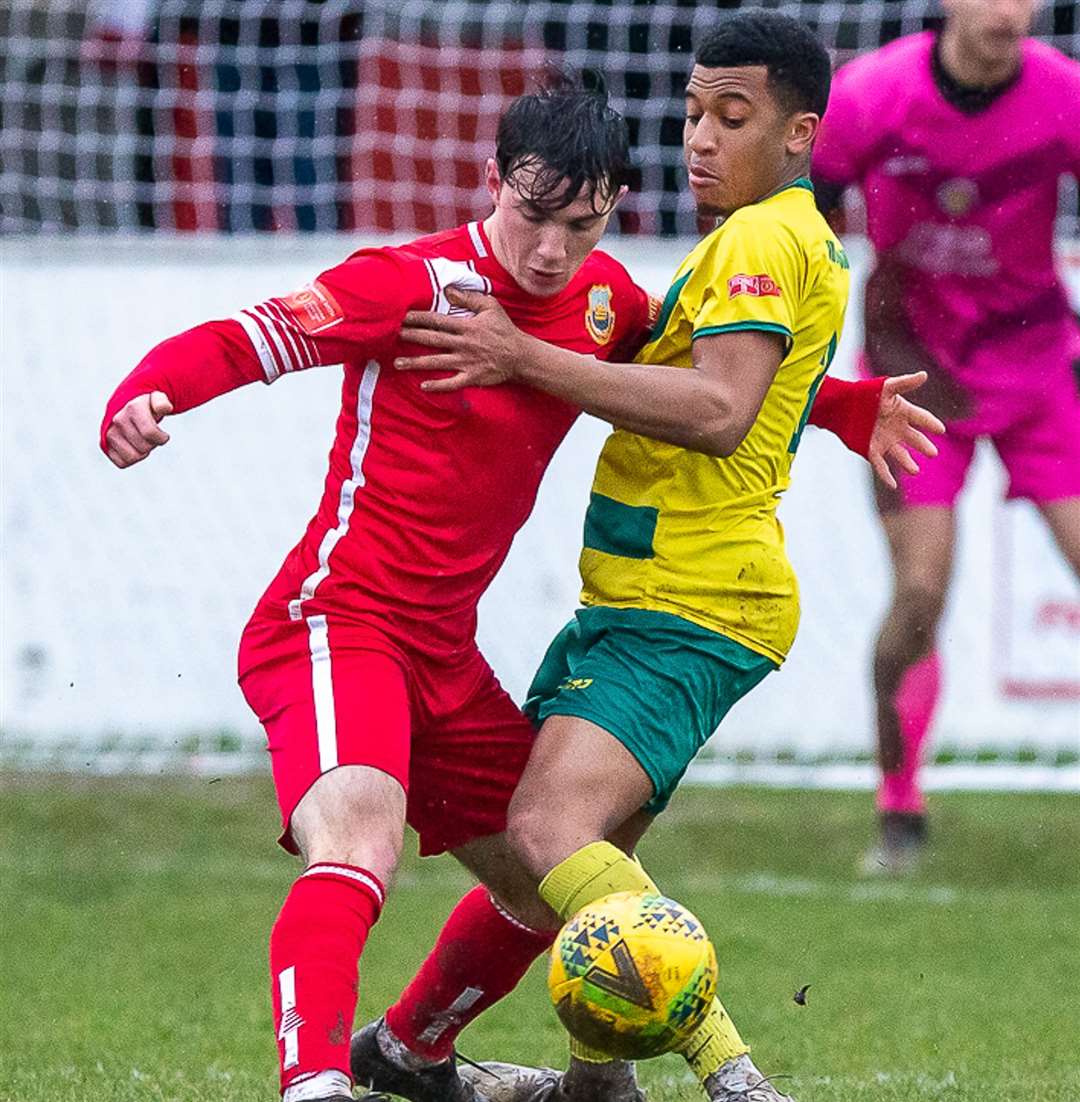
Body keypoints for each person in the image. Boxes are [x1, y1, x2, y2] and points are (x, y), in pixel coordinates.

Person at [101, 80, 933, 1102]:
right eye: (531, 214)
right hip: (334, 619)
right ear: (492, 181)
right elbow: (253, 334)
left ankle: (416, 1053)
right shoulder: (412, 284)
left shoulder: (605, 301)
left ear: (614, 209)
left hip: (444, 658)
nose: (547, 249)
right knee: (359, 834)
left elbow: (704, 384)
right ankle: (313, 1084)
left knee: (553, 876)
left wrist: (846, 407)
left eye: (578, 224)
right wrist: (146, 392)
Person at [358, 12, 942, 1102]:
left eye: (733, 116)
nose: (699, 140)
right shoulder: (780, 238)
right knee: (580, 869)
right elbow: (754, 383)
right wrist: (842, 403)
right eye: (691, 113)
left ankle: (729, 1068)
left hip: (686, 602)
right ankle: (458, 1057)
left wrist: (518, 355)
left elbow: (721, 409)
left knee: (541, 828)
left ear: (800, 133)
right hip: (664, 600)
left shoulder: (765, 237)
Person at [810, 0, 1080, 874]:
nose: (1010, 10)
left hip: (1040, 370)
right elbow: (798, 213)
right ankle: (899, 803)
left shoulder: (1064, 96)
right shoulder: (868, 97)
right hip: (916, 375)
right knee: (921, 595)